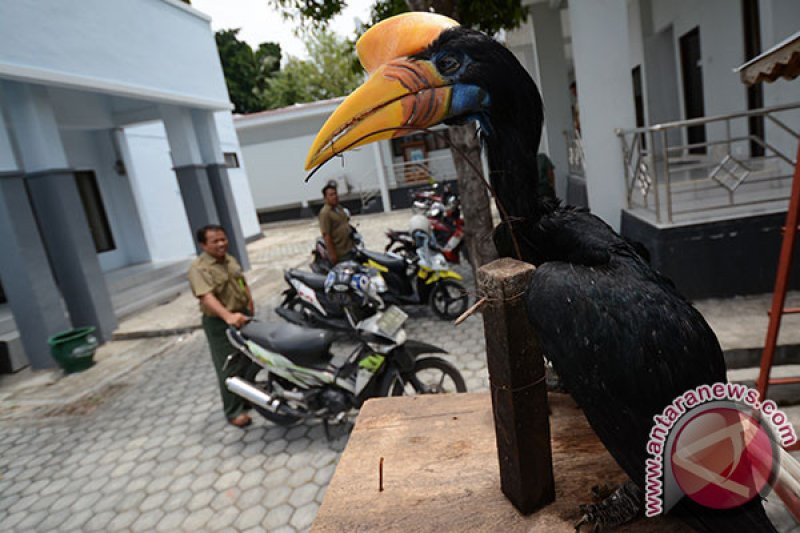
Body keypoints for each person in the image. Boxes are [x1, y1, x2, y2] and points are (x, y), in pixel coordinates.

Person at [188, 224, 257, 428]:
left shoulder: (230, 259)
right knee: (229, 365)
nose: (221, 244)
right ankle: (233, 411)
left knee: (248, 360)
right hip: (220, 322)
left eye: (223, 239)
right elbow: (206, 296)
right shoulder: (199, 268)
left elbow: (242, 282)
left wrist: (250, 302)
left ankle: (247, 398)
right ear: (203, 245)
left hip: (242, 316)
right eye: (215, 241)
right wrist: (227, 316)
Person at [319, 181, 355, 265]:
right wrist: (333, 255)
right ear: (325, 197)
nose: (334, 197)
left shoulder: (339, 208)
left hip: (349, 248)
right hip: (340, 252)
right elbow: (326, 235)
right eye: (331, 195)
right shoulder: (325, 213)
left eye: (335, 194)